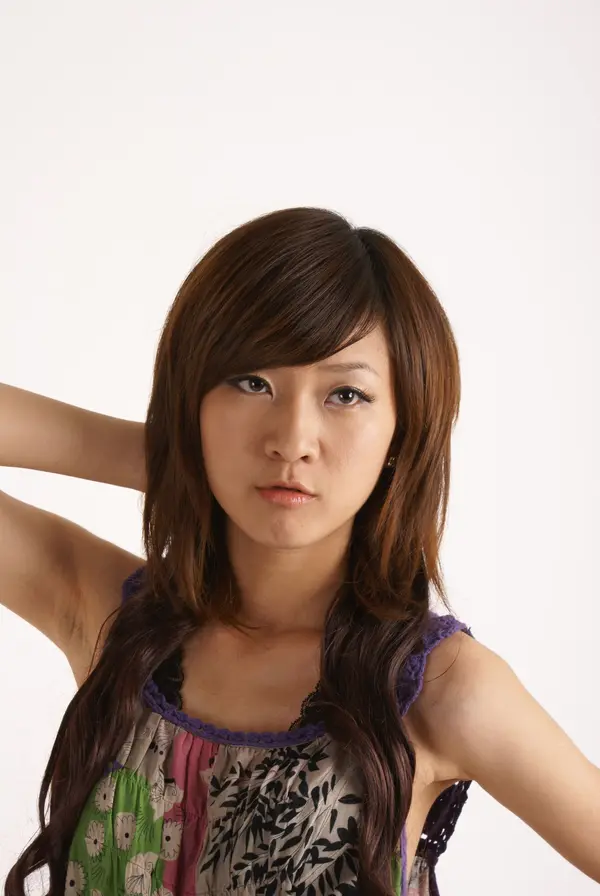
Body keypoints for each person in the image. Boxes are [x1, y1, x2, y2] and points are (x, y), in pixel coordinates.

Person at [1, 206, 598, 896]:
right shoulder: (110, 618)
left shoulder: (437, 688)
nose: (291, 439)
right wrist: (170, 460)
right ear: (192, 398)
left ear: (401, 432)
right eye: (251, 382)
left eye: (345, 394)